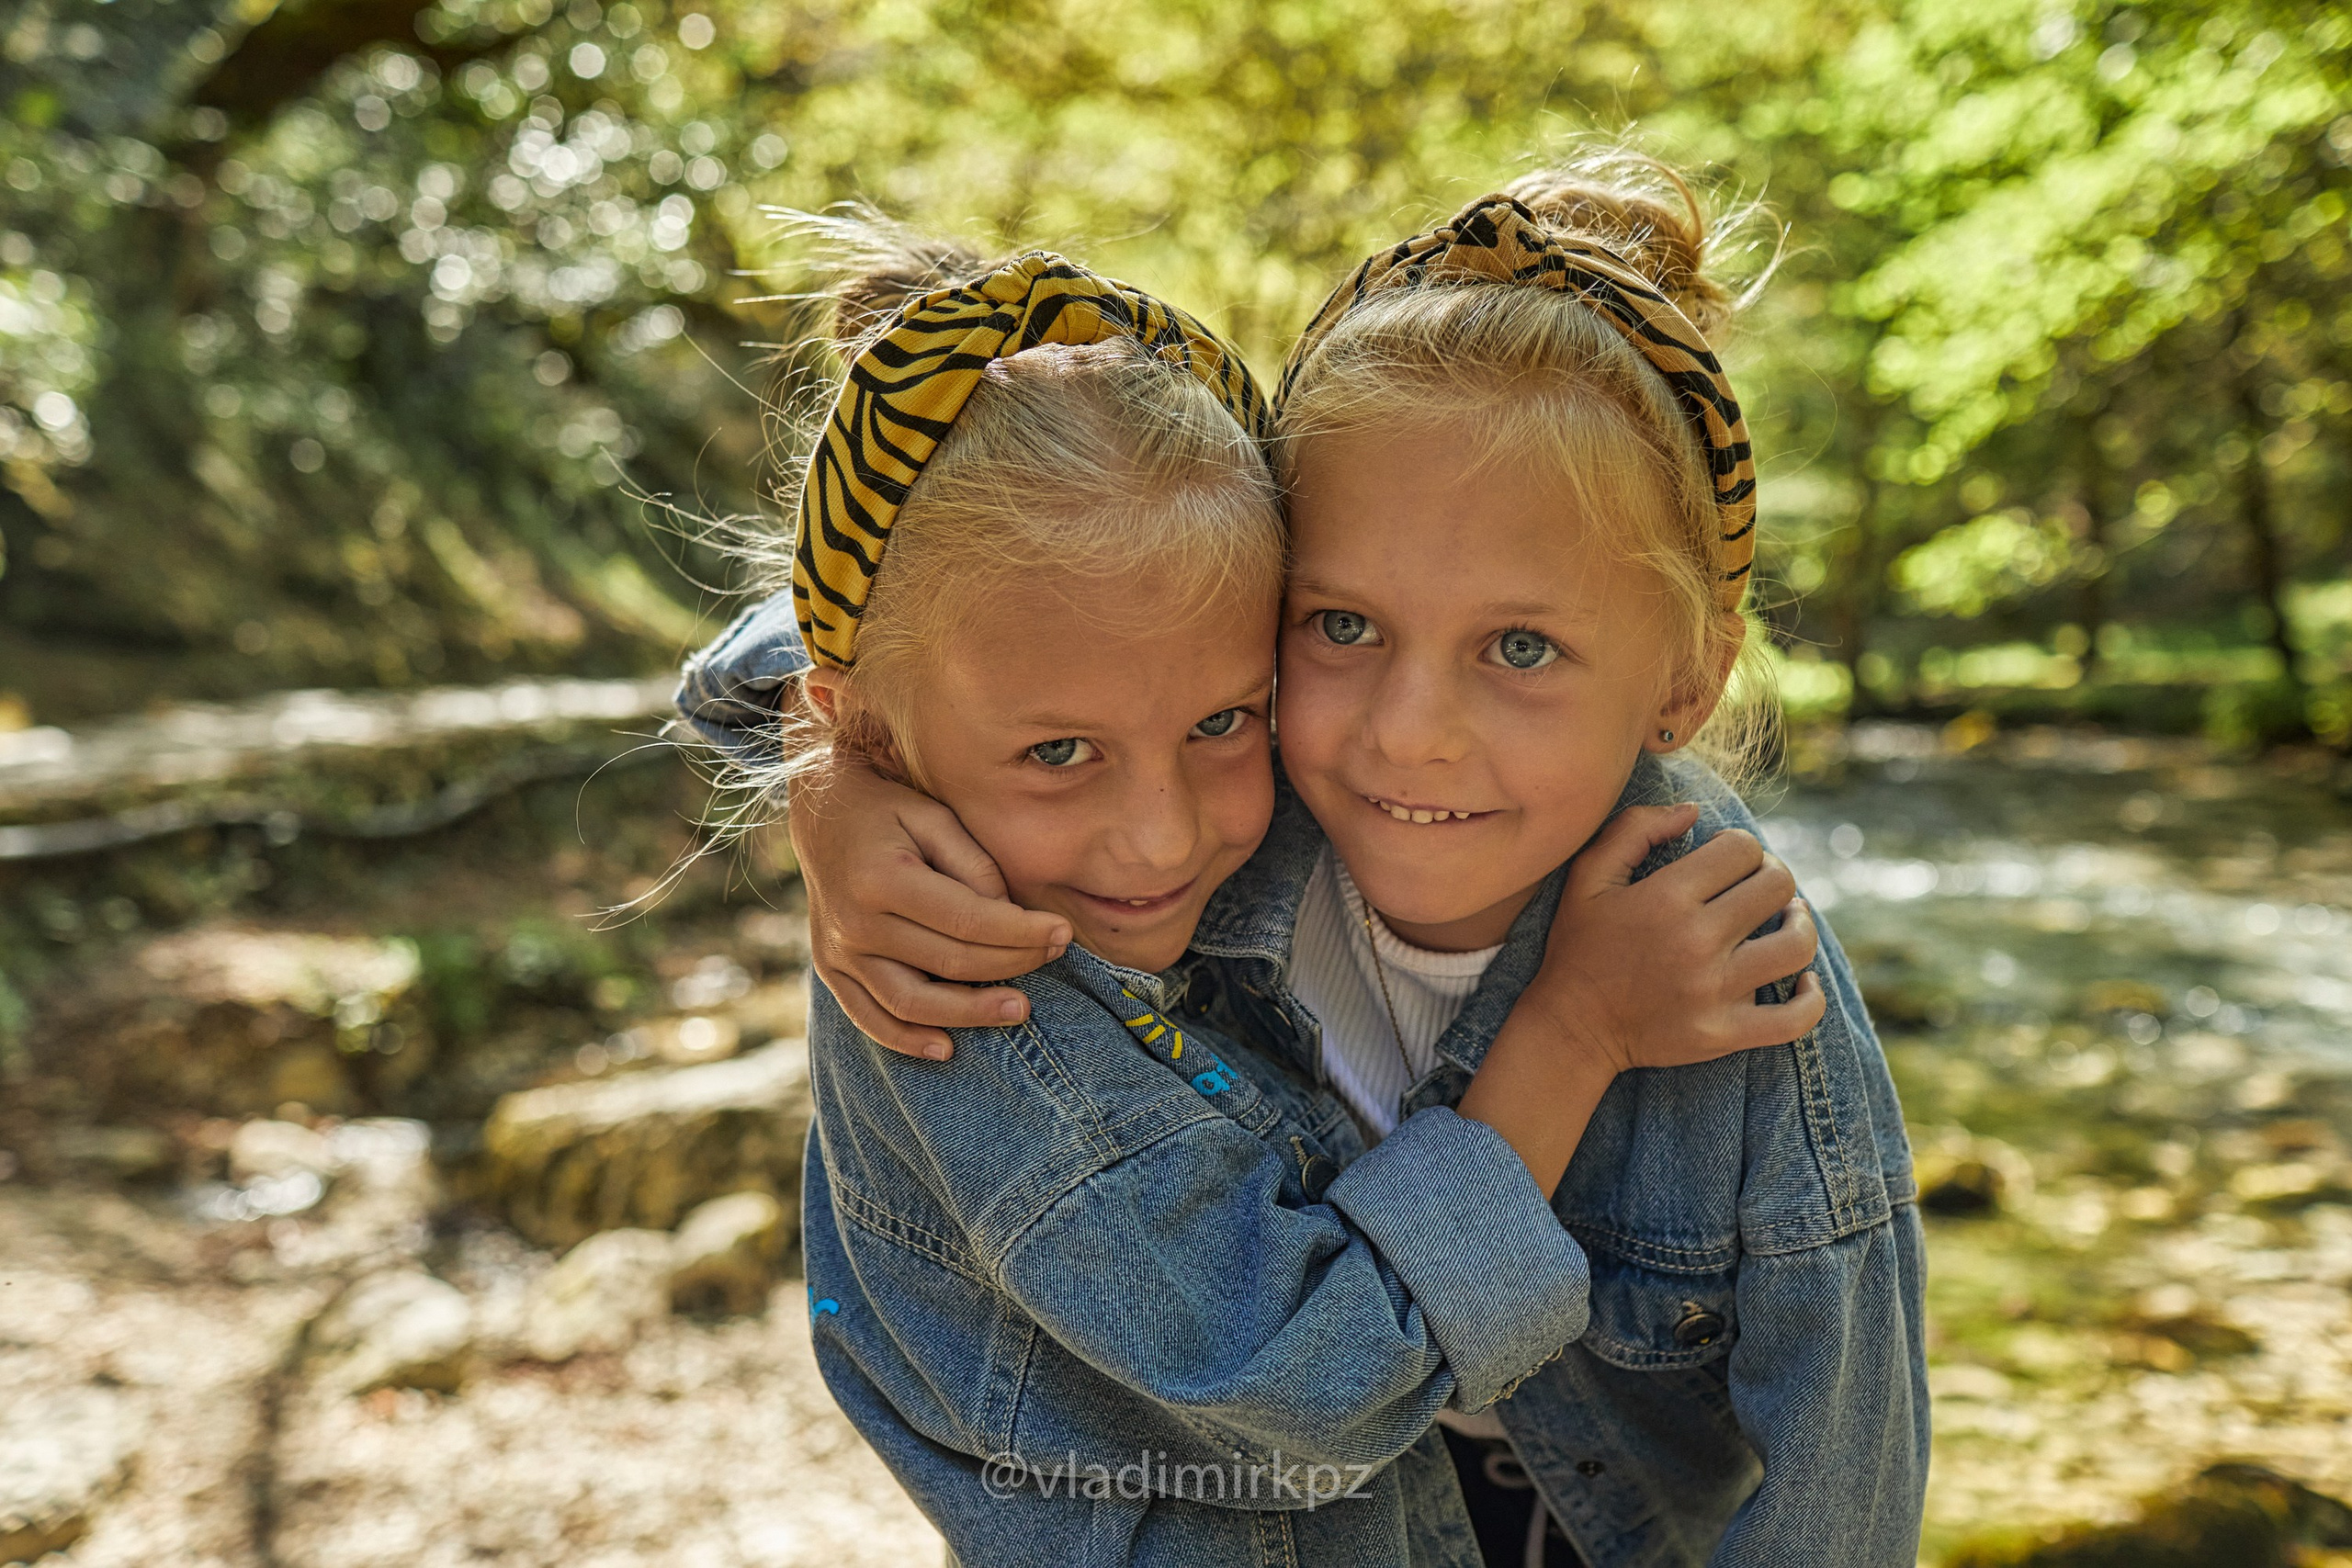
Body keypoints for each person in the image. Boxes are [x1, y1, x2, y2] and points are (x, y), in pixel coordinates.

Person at [683, 209, 1845, 1567]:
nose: (1159, 842)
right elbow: (1313, 1383)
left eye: (1227, 720)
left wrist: (830, 765)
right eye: (1059, 755)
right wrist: (826, 769)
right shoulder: (953, 989)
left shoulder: (1286, 739)